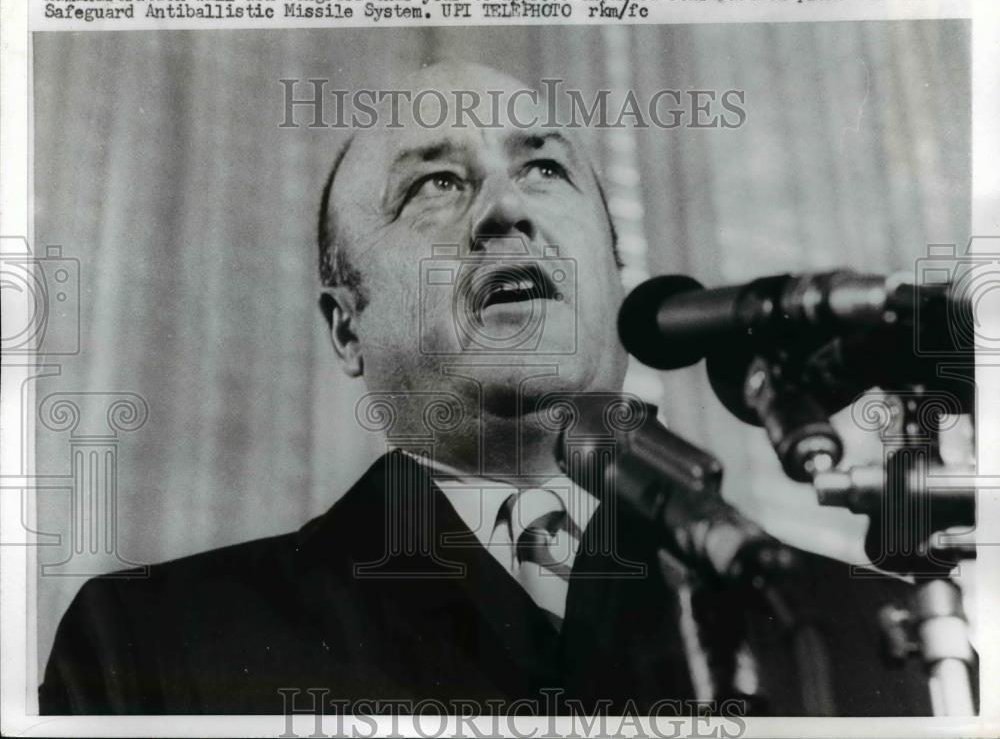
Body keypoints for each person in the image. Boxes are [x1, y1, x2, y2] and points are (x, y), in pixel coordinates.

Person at [40, 62, 930, 716]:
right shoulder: (151, 647)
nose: (507, 209)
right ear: (349, 326)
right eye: (435, 182)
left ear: (617, 277)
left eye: (544, 168)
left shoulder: (872, 634)